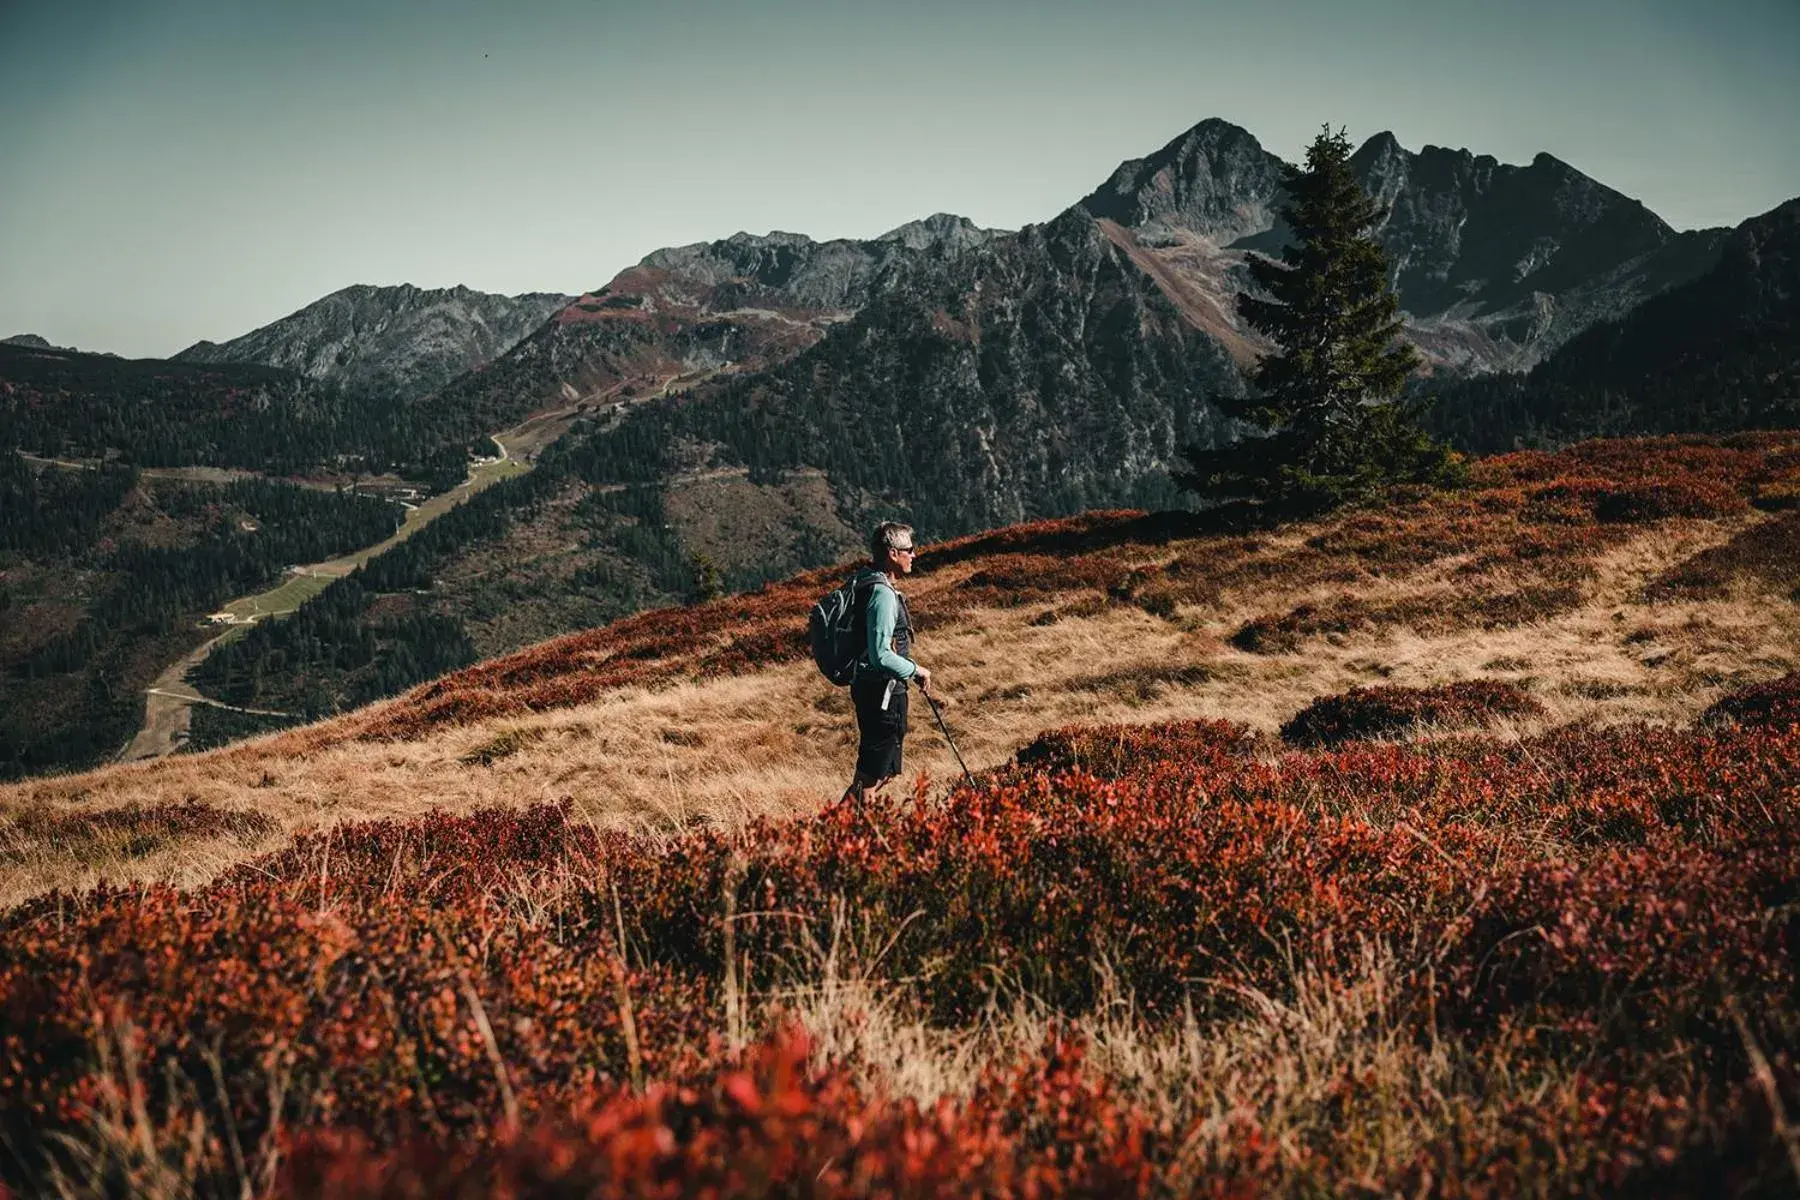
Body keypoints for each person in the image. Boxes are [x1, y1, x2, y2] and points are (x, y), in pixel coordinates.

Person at [844, 521, 933, 802]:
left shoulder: (864, 580)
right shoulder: (882, 594)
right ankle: (840, 835)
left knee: (884, 770)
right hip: (882, 696)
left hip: (872, 689)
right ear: (893, 553)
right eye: (909, 549)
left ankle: (841, 829)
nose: (914, 555)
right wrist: (915, 669)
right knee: (870, 778)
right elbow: (880, 654)